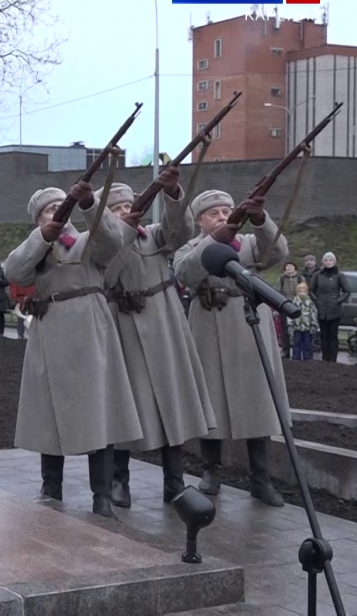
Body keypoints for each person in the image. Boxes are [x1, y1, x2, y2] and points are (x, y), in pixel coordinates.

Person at [3, 182, 142, 518]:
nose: (57, 213)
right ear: (38, 219)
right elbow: (15, 270)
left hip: (93, 329)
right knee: (49, 415)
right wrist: (42, 238)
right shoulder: (37, 247)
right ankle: (51, 487)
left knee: (101, 412)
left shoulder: (87, 239)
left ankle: (102, 495)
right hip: (51, 331)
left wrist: (91, 203)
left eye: (60, 206)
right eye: (49, 209)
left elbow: (112, 243)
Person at [100, 172, 216, 508]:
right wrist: (121, 234)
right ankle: (120, 480)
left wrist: (172, 194)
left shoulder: (152, 236)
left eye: (128, 205)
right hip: (123, 325)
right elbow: (105, 274)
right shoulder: (98, 243)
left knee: (171, 400)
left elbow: (179, 231)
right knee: (124, 403)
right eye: (116, 208)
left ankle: (174, 481)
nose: (124, 211)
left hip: (163, 323)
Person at [173, 189, 289, 507]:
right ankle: (211, 471)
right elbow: (186, 273)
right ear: (199, 220)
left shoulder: (250, 244)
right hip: (208, 323)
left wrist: (260, 220)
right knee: (211, 401)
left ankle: (261, 479)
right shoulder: (192, 247)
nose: (222, 217)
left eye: (226, 211)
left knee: (258, 400)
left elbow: (277, 250)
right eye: (214, 213)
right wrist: (217, 240)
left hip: (248, 322)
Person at [308, 252, 350, 363]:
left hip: (335, 311)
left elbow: (347, 291)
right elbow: (311, 290)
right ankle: (325, 358)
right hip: (322, 310)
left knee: (333, 336)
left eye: (330, 260)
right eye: (326, 260)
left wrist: (337, 301)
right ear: (323, 262)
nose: (328, 262)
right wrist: (316, 300)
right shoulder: (317, 275)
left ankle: (333, 359)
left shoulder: (339, 275)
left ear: (334, 262)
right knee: (323, 335)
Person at [276, 262, 304, 358]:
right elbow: (278, 292)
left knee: (298, 328)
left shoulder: (300, 278)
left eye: (291, 266)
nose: (289, 268)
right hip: (285, 306)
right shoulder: (281, 279)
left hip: (297, 306)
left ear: (295, 268)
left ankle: (298, 352)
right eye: (287, 266)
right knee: (284, 330)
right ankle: (285, 351)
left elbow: (304, 291)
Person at [288, 281, 319, 361]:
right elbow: (290, 315)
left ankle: (307, 358)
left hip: (307, 328)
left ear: (307, 292)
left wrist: (313, 325)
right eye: (300, 291)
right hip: (297, 327)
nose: (302, 293)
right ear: (297, 292)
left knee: (307, 344)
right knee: (296, 343)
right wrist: (290, 325)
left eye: (304, 291)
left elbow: (313, 314)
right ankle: (296, 358)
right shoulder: (294, 302)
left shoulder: (310, 303)